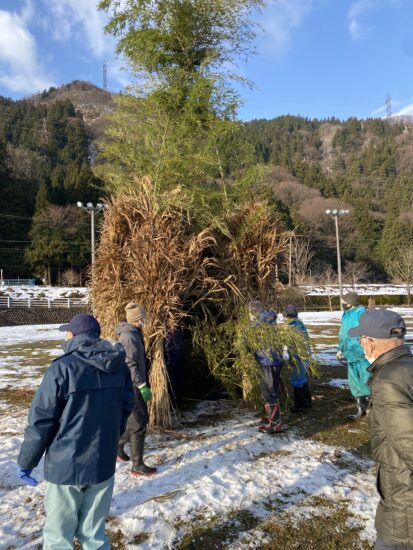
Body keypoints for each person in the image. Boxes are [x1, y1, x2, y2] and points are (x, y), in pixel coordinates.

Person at [17, 313, 134, 550]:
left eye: (67, 331)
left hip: (65, 467)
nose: (65, 335)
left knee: (59, 537)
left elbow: (41, 421)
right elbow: (125, 408)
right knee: (94, 535)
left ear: (74, 335)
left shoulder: (62, 368)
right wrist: (111, 438)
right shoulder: (119, 366)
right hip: (102, 463)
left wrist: (26, 461)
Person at [348, 308, 413, 550]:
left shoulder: (388, 381)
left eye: (361, 340)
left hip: (405, 508)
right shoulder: (408, 368)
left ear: (370, 343)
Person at [115, 303, 157, 476]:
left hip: (132, 385)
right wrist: (141, 385)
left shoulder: (133, 333)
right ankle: (137, 465)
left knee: (133, 421)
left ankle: (118, 446)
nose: (145, 320)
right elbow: (130, 363)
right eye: (143, 317)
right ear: (137, 319)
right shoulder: (129, 337)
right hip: (133, 386)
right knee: (139, 424)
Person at [248, 300, 284, 435]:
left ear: (253, 311)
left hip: (268, 361)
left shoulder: (259, 323)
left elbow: (247, 339)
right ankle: (272, 419)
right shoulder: (270, 320)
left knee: (268, 391)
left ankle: (275, 424)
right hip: (274, 360)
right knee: (271, 389)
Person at [336, 291, 371, 419]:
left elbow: (368, 331)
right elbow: (343, 333)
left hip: (361, 352)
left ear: (350, 303)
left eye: (344, 301)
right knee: (354, 381)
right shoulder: (345, 314)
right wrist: (340, 348)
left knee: (366, 378)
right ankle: (360, 408)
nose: (342, 303)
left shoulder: (363, 313)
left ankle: (370, 408)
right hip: (349, 352)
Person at [283, 304, 312, 413]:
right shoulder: (299, 323)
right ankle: (306, 401)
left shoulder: (293, 326)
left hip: (299, 356)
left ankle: (299, 405)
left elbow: (294, 344)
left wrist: (293, 358)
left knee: (297, 379)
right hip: (303, 355)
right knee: (302, 378)